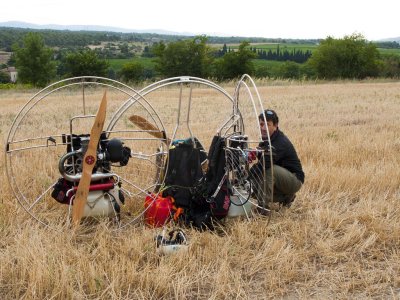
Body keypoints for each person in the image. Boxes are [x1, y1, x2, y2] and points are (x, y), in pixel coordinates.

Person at [249, 109, 304, 211]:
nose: (263, 128)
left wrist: (247, 177)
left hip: (294, 179)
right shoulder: (266, 139)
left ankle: (263, 209)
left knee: (269, 170)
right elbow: (260, 161)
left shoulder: (280, 142)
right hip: (282, 179)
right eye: (261, 124)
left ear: (275, 125)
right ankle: (286, 197)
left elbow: (264, 165)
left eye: (267, 124)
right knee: (252, 189)